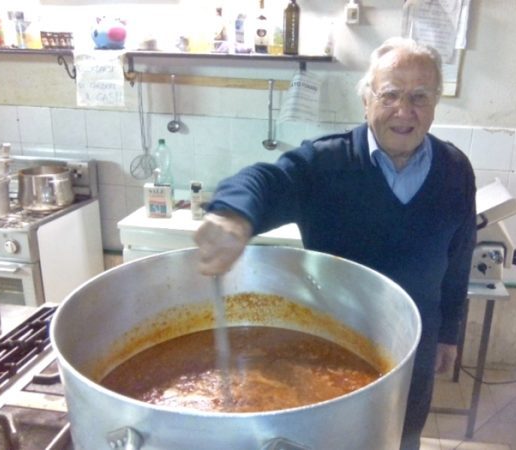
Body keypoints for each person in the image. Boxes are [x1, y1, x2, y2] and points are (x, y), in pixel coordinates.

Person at [194, 37, 477, 449]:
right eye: (390, 95)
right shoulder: (325, 164)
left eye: (419, 97)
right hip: (332, 346)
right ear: (366, 100)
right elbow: (267, 180)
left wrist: (449, 332)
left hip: (414, 347)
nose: (404, 110)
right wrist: (233, 213)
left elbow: (460, 255)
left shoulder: (455, 169)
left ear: (435, 104)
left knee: (403, 437)